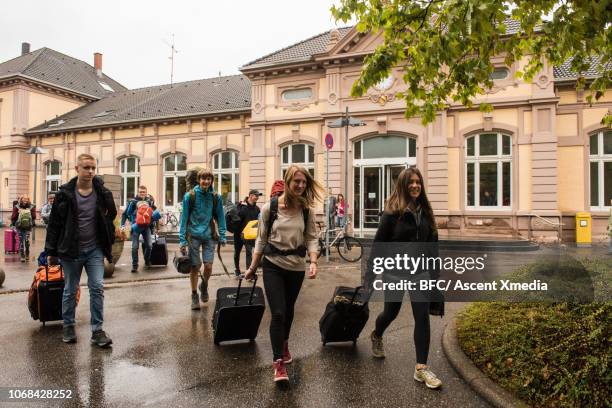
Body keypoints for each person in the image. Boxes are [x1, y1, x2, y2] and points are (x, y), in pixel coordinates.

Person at [245, 165, 322, 383]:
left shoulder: (306, 210)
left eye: (304, 182)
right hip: (272, 265)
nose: (300, 185)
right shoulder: (270, 208)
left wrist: (313, 261)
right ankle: (278, 362)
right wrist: (252, 268)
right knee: (278, 312)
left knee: (288, 311)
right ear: (287, 182)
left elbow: (311, 238)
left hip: (296, 267)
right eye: (296, 181)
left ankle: (284, 342)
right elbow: (260, 239)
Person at [369, 167, 443, 389]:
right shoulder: (392, 214)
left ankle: (421, 368)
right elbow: (378, 246)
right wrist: (369, 277)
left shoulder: (426, 213)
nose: (415, 185)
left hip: (420, 272)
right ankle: (377, 333)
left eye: (418, 182)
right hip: (395, 273)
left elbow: (432, 247)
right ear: (403, 185)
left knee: (422, 317)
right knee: (391, 312)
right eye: (411, 182)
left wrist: (435, 276)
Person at [45, 153, 116, 347]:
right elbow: (54, 224)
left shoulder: (100, 192)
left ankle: (97, 331)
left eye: (93, 168)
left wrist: (105, 191)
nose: (90, 171)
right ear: (77, 169)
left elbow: (112, 213)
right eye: (86, 167)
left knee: (97, 287)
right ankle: (68, 326)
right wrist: (50, 252)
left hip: (95, 249)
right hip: (71, 249)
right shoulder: (65, 194)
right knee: (70, 290)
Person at [179, 168, 227, 310]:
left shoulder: (215, 197)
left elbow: (220, 217)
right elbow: (184, 218)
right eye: (203, 179)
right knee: (195, 267)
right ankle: (194, 294)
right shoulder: (190, 196)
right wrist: (182, 240)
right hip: (193, 235)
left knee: (208, 266)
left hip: (208, 236)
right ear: (199, 180)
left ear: (211, 181)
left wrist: (222, 235)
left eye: (208, 179)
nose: (206, 181)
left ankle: (204, 285)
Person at [121, 185, 155, 273]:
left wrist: (155, 226)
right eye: (140, 192)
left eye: (144, 192)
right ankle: (135, 265)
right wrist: (122, 225)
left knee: (149, 246)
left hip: (146, 227)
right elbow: (125, 214)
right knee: (134, 247)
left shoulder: (149, 201)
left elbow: (153, 214)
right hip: (136, 227)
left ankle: (147, 260)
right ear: (138, 192)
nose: (142, 194)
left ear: (146, 193)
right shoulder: (132, 202)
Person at [234, 189, 262, 278]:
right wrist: (240, 206)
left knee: (250, 252)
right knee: (237, 252)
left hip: (249, 235)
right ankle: (237, 270)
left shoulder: (257, 209)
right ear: (250, 196)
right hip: (239, 234)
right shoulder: (242, 206)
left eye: (258, 196)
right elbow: (236, 218)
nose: (257, 197)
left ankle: (250, 272)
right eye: (256, 196)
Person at [11, 195, 36, 262]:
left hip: (19, 226)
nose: (25, 200)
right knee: (26, 240)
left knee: (21, 241)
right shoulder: (31, 207)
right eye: (24, 199)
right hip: (27, 226)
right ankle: (26, 254)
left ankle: (23, 255)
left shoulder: (17, 206)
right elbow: (34, 217)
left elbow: (13, 217)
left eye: (26, 199)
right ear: (22, 199)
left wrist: (13, 224)